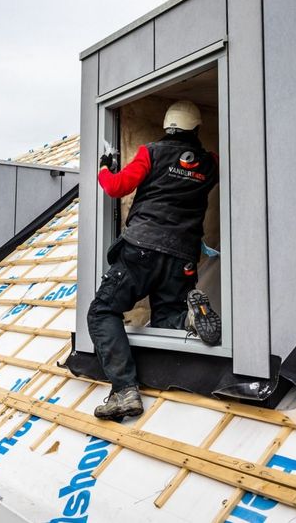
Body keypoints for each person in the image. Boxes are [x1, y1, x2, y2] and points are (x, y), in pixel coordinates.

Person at [88, 100, 222, 420]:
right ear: (197, 128)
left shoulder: (151, 152)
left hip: (143, 249)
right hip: (183, 257)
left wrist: (105, 168)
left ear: (166, 126)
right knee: (165, 319)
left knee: (102, 311)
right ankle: (187, 320)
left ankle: (124, 390)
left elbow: (116, 188)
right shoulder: (211, 162)